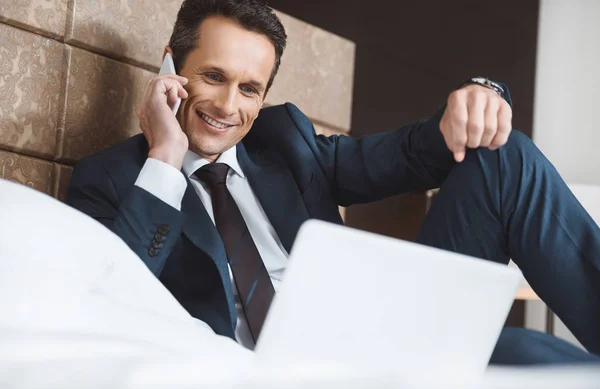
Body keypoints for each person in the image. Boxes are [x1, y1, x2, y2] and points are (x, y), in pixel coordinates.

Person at [67, 0, 600, 364]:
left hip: (378, 351)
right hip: (264, 381)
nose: (229, 106)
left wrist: (481, 94)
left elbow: (415, 153)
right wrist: (165, 156)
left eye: (250, 88)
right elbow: (111, 302)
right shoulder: (112, 180)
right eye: (213, 77)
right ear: (171, 65)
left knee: (534, 348)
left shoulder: (285, 145)